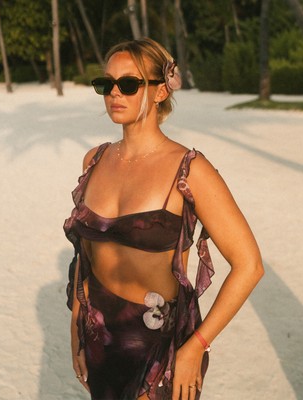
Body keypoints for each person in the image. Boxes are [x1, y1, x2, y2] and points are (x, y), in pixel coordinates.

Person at [63, 37, 264, 400]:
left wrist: (196, 345)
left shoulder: (189, 170)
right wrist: (77, 326)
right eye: (106, 84)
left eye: (128, 84)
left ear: (160, 91)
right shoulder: (94, 160)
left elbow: (249, 265)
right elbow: (85, 256)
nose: (114, 93)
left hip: (159, 346)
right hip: (100, 336)